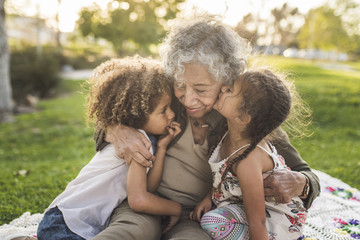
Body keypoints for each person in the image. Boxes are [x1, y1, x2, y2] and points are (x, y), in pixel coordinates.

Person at [93, 16, 320, 240]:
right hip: (149, 203)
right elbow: (115, 113)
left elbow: (308, 175)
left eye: (201, 90)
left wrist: (301, 183)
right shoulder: (165, 97)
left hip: (198, 216)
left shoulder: (245, 119)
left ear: (227, 82)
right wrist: (117, 129)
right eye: (180, 85)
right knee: (129, 232)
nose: (188, 99)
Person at [35, 57, 182, 240]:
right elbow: (139, 200)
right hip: (65, 223)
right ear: (137, 116)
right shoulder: (137, 142)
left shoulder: (146, 141)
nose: (172, 114)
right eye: (164, 110)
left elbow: (147, 188)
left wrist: (161, 149)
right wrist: (176, 208)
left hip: (73, 221)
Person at [191, 69, 308, 240]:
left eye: (230, 90)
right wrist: (208, 198)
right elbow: (222, 177)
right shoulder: (228, 136)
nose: (223, 88)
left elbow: (258, 222)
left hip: (276, 221)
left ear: (242, 117)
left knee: (212, 221)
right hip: (244, 206)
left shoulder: (248, 160)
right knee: (215, 215)